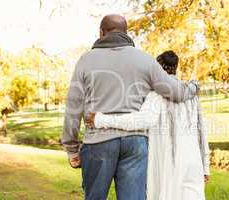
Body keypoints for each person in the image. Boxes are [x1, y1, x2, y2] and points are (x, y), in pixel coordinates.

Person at [61, 15, 199, 200]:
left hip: (98, 142)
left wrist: (71, 148)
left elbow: (73, 106)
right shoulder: (145, 60)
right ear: (126, 33)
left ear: (101, 32)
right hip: (135, 143)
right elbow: (176, 92)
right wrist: (193, 87)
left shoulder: (86, 60)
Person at [86, 50, 210, 200]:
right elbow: (201, 131)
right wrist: (205, 166)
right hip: (193, 163)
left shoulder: (157, 95)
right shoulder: (191, 95)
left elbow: (142, 120)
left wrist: (102, 120)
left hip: (170, 165)